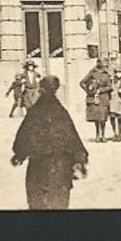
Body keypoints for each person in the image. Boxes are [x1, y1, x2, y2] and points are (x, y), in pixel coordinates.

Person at [10, 75, 89, 210]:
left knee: (37, 204)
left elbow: (24, 136)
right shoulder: (62, 112)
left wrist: (19, 155)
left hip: (38, 168)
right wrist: (80, 159)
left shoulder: (34, 112)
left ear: (41, 90)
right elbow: (72, 138)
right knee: (59, 204)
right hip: (60, 168)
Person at [81, 60, 113, 142]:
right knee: (96, 118)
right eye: (99, 63)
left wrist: (101, 90)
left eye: (102, 63)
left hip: (103, 98)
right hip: (94, 98)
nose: (100, 64)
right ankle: (97, 134)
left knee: (103, 118)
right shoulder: (92, 73)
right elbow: (82, 82)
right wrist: (88, 91)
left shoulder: (106, 74)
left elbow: (110, 87)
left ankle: (103, 135)